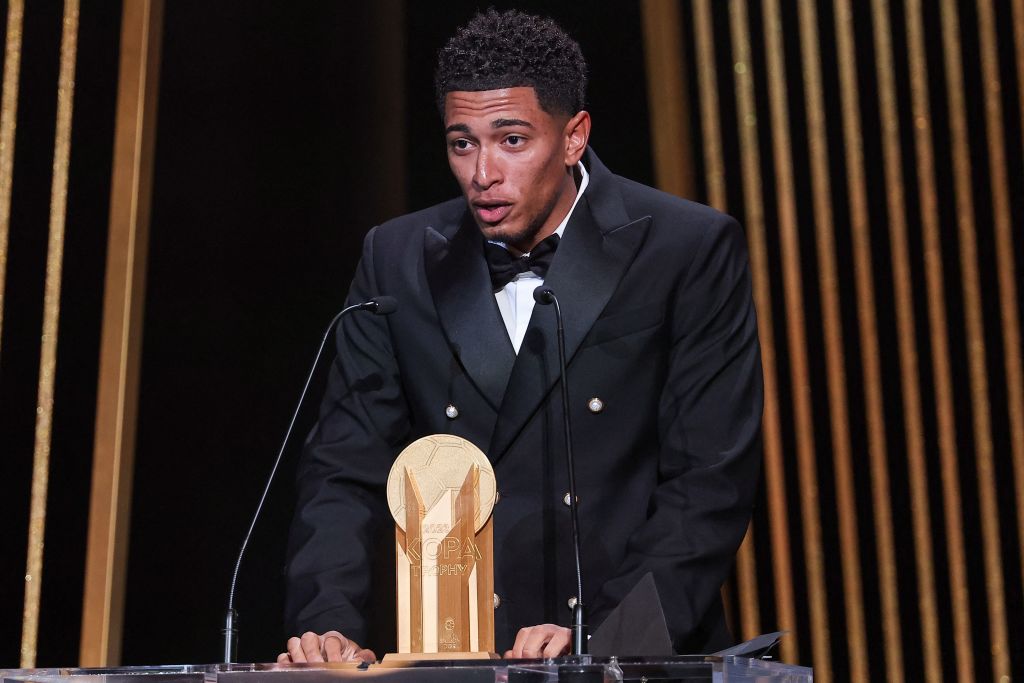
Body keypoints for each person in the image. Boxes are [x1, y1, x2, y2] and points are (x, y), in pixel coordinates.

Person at [278, 8, 762, 664]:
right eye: (462, 142)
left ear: (573, 136)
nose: (482, 173)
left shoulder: (686, 248)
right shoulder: (397, 260)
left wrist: (605, 641)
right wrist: (325, 622)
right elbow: (343, 465)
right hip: (459, 658)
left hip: (634, 659)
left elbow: (709, 481)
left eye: (511, 140)